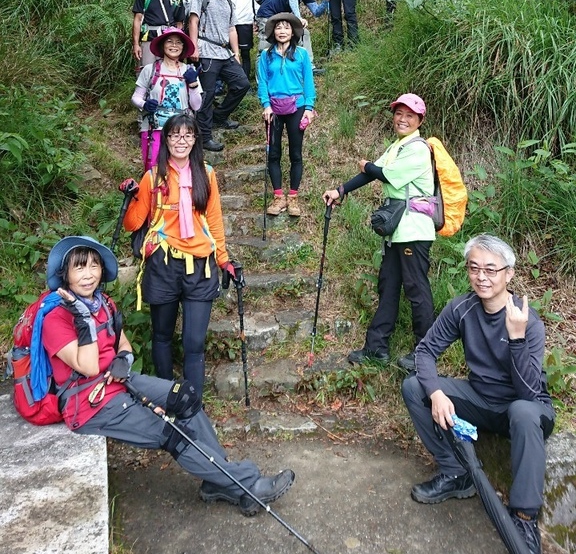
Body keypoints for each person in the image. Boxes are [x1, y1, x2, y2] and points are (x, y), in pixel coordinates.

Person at [41, 234, 295, 515]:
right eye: (79, 268)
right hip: (90, 403)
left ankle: (219, 480)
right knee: (172, 433)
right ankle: (247, 486)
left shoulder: (102, 303)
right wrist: (82, 318)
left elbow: (122, 344)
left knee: (185, 397)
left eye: (93, 266)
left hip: (119, 381)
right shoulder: (56, 318)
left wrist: (123, 359)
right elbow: (88, 367)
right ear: (65, 274)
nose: (88, 275)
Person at [402, 234, 554, 554]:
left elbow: (529, 392)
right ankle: (456, 473)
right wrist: (437, 393)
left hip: (527, 408)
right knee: (415, 386)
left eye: (490, 269)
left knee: (523, 412)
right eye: (474, 268)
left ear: (508, 273)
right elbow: (425, 353)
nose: (481, 277)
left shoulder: (528, 321)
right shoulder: (462, 308)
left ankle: (524, 518)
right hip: (481, 400)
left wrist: (516, 338)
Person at [122, 111, 233, 399]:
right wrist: (132, 197)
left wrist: (223, 259)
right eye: (174, 134)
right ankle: (166, 398)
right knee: (162, 335)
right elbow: (133, 223)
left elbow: (214, 220)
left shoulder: (207, 174)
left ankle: (192, 404)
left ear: (196, 139)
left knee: (194, 342)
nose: (180, 140)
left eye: (187, 134)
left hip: (200, 266)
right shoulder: (153, 176)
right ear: (166, 139)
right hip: (163, 263)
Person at [323, 93, 435, 372]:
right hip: (398, 230)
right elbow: (374, 173)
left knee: (416, 289)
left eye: (410, 115)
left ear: (420, 120)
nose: (403, 119)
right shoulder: (399, 146)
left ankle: (426, 353)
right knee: (387, 285)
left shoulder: (418, 148)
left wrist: (368, 165)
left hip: (414, 230)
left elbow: (386, 174)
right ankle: (376, 348)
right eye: (399, 113)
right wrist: (341, 190)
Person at [188, 0, 250, 153]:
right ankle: (205, 136)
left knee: (242, 83)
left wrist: (236, 53)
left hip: (224, 52)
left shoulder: (229, 3)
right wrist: (193, 46)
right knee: (206, 94)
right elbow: (193, 20)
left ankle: (220, 116)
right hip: (206, 49)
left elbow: (232, 29)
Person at [257, 14, 316, 218]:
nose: (282, 31)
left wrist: (309, 107)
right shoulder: (266, 55)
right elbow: (262, 82)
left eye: (286, 28)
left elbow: (308, 83)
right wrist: (266, 104)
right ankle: (278, 196)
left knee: (295, 154)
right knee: (273, 153)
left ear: (293, 32)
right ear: (273, 32)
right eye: (279, 28)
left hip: (297, 106)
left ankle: (293, 197)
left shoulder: (301, 54)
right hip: (273, 108)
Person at [131, 28, 202, 169]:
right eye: (169, 41)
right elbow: (136, 97)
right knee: (154, 168)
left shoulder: (189, 71)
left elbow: (196, 106)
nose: (174, 45)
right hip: (154, 126)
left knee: (179, 169)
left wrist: (193, 84)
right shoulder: (150, 70)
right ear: (162, 45)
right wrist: (144, 105)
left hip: (182, 130)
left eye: (178, 42)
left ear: (183, 47)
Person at [255, 0, 333, 73]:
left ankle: (309, 67)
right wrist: (298, 18)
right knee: (265, 48)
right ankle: (261, 84)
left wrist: (326, 0)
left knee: (304, 32)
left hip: (281, 17)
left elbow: (316, 12)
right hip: (267, 14)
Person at [132, 0, 185, 69]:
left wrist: (178, 45)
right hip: (149, 39)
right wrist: (136, 44)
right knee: (147, 73)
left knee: (169, 73)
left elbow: (179, 23)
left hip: (170, 41)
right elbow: (137, 19)